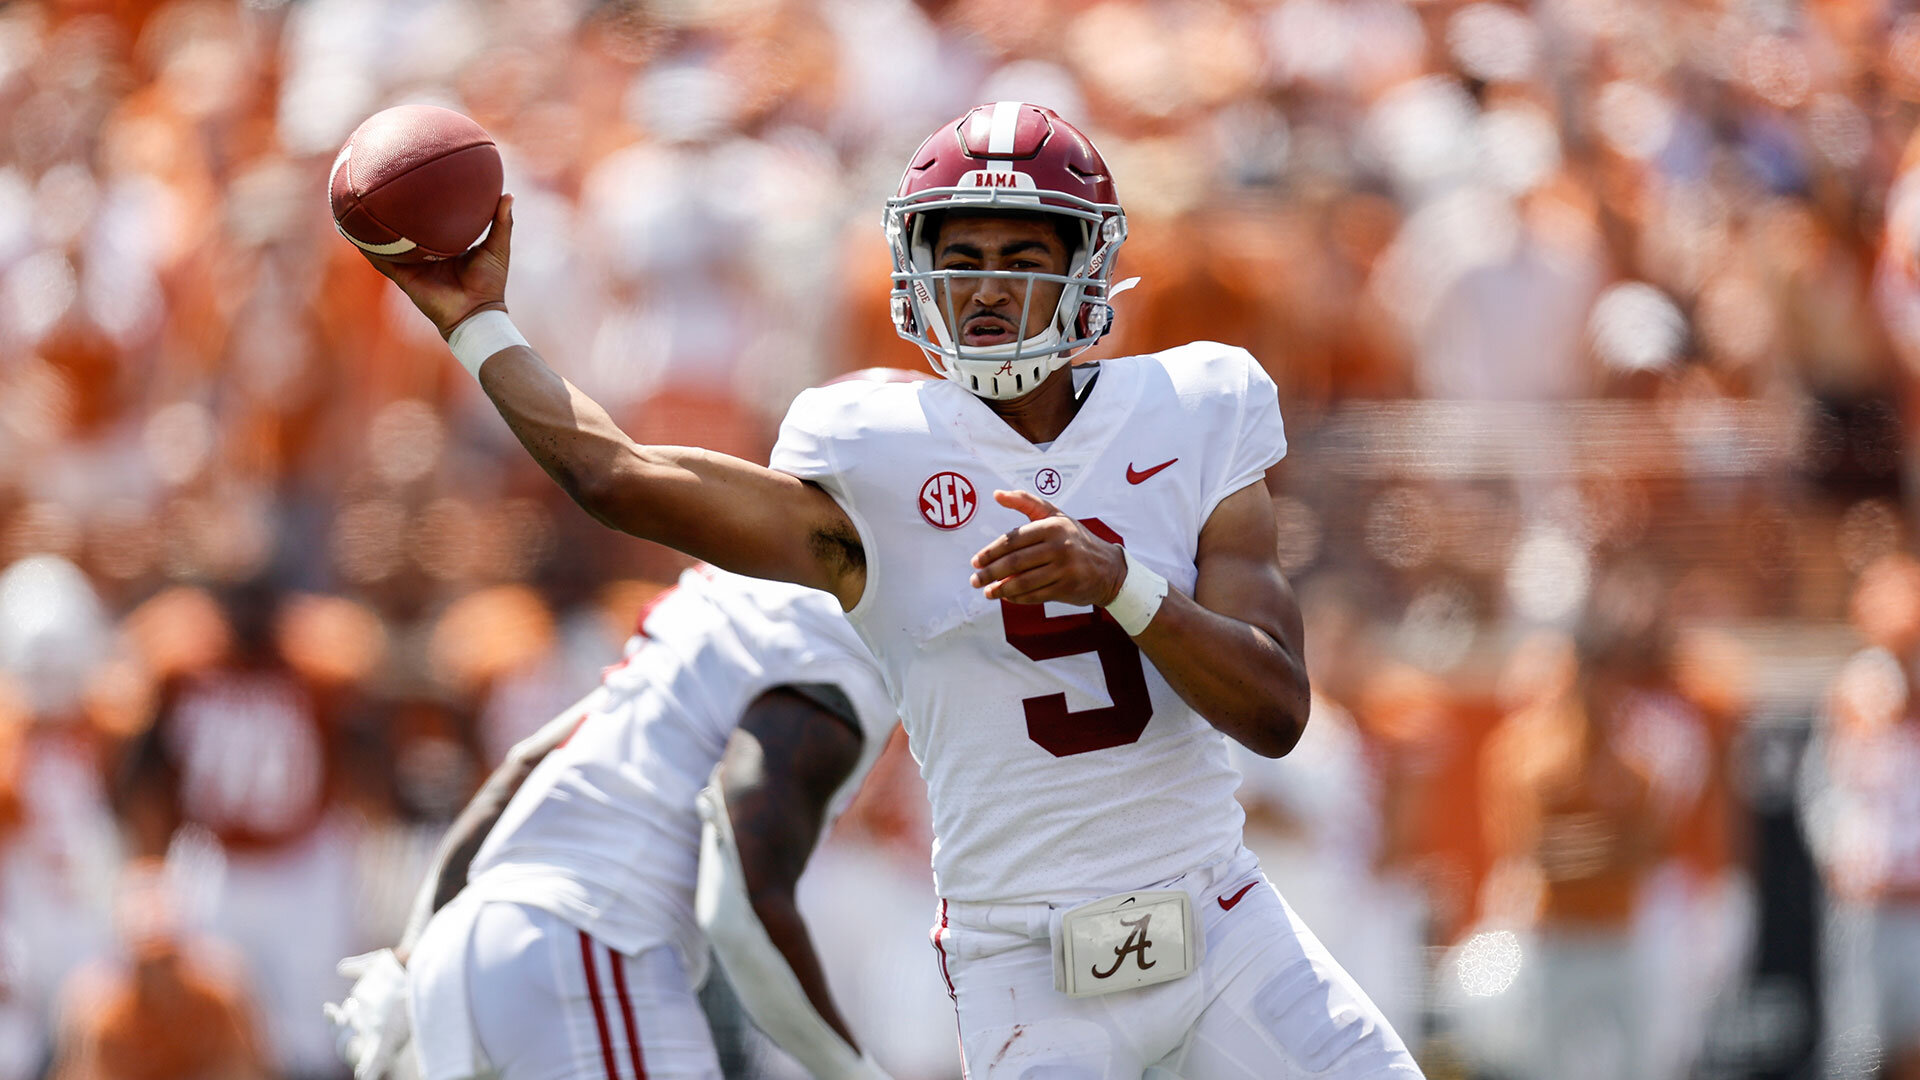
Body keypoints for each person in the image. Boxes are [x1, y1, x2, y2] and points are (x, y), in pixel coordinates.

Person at [361, 101, 1418, 1077]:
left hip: (1220, 916)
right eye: (958, 259)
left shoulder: (1194, 404)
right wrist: (478, 324)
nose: (988, 287)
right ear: (915, 271)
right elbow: (618, 475)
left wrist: (1122, 586)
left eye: (1020, 257)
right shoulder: (871, 451)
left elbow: (1274, 711)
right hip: (1026, 965)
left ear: (1087, 265)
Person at [324, 561, 901, 1080]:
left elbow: (524, 764)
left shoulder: (734, 602)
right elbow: (739, 909)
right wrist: (851, 1070)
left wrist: (409, 957)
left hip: (468, 947)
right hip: (588, 943)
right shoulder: (844, 648)